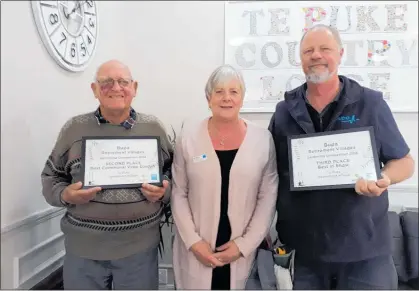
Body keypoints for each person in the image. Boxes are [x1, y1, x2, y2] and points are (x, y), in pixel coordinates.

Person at [268, 24, 415, 290]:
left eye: (325, 48)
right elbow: (268, 173)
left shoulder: (371, 104)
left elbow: (405, 162)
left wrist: (383, 178)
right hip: (304, 254)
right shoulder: (284, 112)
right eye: (308, 50)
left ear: (341, 53)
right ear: (300, 58)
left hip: (365, 254)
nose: (316, 55)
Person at [41, 60, 173, 290]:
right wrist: (66, 195)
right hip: (83, 249)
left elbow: (175, 173)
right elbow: (50, 176)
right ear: (94, 90)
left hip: (139, 249)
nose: (116, 88)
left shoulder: (154, 128)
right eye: (106, 82)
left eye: (123, 82)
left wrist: (165, 190)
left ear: (135, 88)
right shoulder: (74, 129)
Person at [171, 64, 278, 289]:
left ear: (242, 97)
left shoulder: (262, 140)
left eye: (233, 91)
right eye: (219, 92)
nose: (226, 98)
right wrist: (193, 242)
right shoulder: (188, 137)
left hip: (242, 251)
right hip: (198, 250)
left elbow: (267, 197)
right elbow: (179, 192)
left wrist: (244, 245)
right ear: (208, 98)